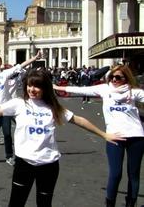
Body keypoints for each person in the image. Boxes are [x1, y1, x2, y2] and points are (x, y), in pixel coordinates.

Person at [0, 69, 124, 207]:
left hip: (49, 165)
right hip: (24, 163)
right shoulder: (18, 104)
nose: (32, 89)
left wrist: (104, 134)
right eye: (30, 85)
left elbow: (79, 120)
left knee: (44, 204)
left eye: (37, 86)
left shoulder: (53, 108)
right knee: (16, 203)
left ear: (44, 88)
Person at [53, 65, 144, 207]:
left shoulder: (134, 92)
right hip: (113, 136)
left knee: (133, 175)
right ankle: (110, 204)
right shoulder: (104, 89)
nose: (114, 79)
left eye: (118, 77)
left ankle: (131, 204)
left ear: (126, 78)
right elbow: (81, 90)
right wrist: (58, 88)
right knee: (115, 174)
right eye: (111, 77)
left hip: (136, 136)